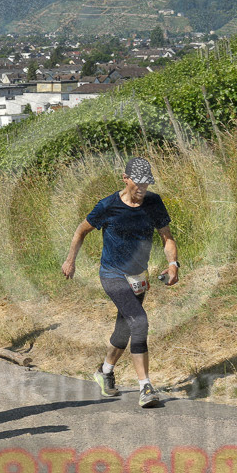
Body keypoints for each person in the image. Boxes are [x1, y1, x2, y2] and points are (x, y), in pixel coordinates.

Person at [61, 157, 180, 408]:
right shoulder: (108, 206)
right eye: (138, 183)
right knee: (140, 321)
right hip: (112, 274)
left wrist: (173, 264)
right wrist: (70, 261)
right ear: (125, 179)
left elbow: (166, 237)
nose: (142, 189)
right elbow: (81, 231)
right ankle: (145, 386)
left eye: (147, 184)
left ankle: (104, 372)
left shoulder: (154, 203)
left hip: (138, 276)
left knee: (125, 328)